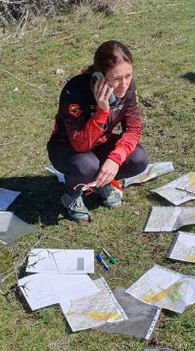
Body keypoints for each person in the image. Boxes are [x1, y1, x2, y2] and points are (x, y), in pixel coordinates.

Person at [47, 40, 148, 221]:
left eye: (128, 75)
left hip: (99, 142)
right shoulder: (75, 91)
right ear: (99, 76)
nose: (124, 84)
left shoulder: (128, 88)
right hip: (66, 146)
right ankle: (72, 195)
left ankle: (102, 182)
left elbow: (133, 129)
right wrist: (102, 111)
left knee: (138, 158)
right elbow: (80, 144)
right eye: (116, 78)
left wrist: (115, 159)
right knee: (87, 165)